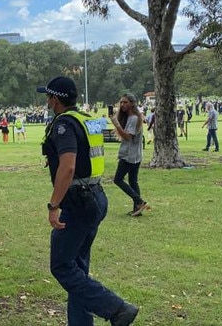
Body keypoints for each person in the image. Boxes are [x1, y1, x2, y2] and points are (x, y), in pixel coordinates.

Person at [37, 76, 138, 326]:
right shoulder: (86, 119)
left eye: (48, 96)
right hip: (95, 196)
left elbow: (68, 166)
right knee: (77, 268)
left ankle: (117, 309)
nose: (47, 101)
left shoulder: (64, 125)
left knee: (62, 266)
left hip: (78, 202)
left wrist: (53, 205)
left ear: (55, 99)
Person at [110, 93, 149, 217]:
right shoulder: (134, 117)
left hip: (129, 155)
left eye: (125, 102)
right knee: (133, 181)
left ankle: (139, 201)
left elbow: (127, 137)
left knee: (118, 179)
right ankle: (137, 209)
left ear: (132, 103)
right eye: (121, 102)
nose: (122, 105)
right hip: (136, 155)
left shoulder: (133, 118)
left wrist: (116, 124)